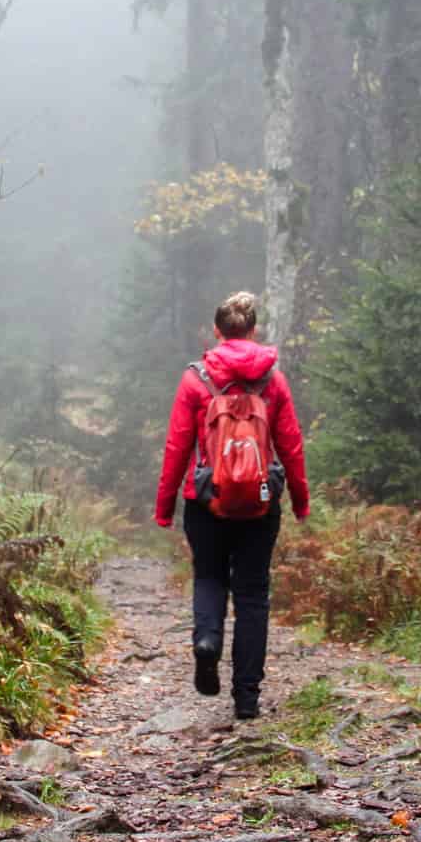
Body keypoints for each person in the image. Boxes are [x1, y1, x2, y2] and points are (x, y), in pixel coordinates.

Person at [153, 291, 310, 719]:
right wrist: (299, 499)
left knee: (209, 576)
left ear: (217, 332)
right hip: (261, 501)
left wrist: (166, 506)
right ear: (253, 332)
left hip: (205, 499)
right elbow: (291, 445)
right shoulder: (272, 380)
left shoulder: (196, 379)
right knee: (253, 595)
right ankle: (247, 697)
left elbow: (177, 447)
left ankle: (207, 641)